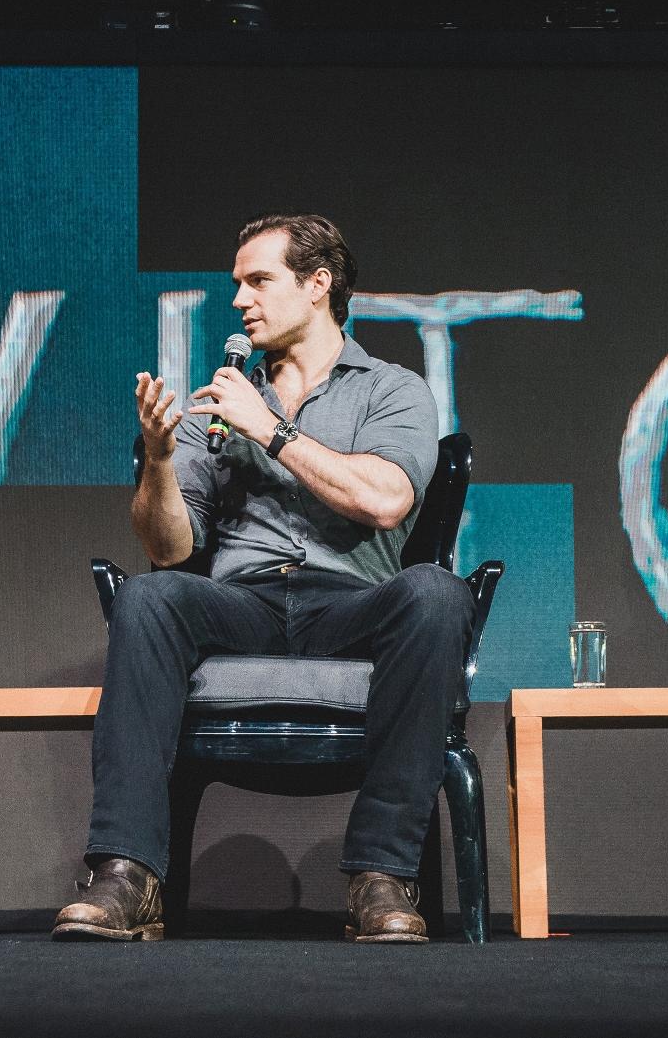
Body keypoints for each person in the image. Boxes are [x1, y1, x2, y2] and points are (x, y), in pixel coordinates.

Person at [53, 213, 470, 944]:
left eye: (259, 280)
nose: (240, 299)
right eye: (236, 283)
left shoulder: (392, 390)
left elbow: (384, 499)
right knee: (147, 597)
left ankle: (380, 876)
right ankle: (126, 874)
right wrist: (156, 459)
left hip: (350, 601)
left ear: (317, 284)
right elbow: (170, 548)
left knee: (436, 590)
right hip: (241, 601)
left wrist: (271, 429)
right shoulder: (218, 402)